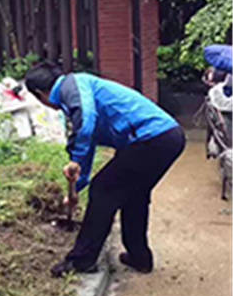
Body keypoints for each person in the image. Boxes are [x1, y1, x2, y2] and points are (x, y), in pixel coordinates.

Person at [24, 62, 186, 278]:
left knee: (102, 190)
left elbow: (86, 123)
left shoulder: (72, 87)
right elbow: (87, 142)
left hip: (152, 139)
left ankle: (82, 260)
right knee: (134, 196)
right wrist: (77, 187)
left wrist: (76, 161)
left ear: (39, 94)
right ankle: (139, 257)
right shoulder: (74, 93)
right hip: (167, 138)